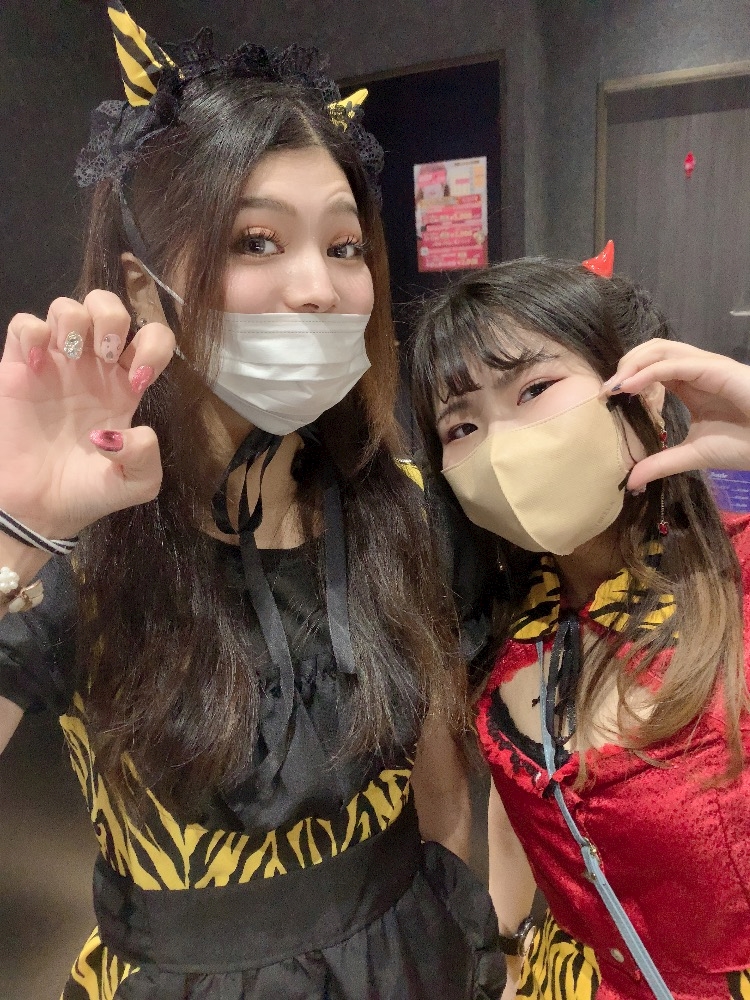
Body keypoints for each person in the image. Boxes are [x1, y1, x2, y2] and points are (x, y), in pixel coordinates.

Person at [0, 5, 505, 998]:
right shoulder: (81, 558)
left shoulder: (409, 514)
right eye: (258, 241)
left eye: (346, 246)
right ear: (144, 289)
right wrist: (19, 535)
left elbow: (444, 796)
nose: (318, 288)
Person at [410, 253, 750, 1000]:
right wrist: (505, 951)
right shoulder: (496, 624)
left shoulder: (738, 579)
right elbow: (517, 805)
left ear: (641, 389)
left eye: (534, 388)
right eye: (462, 425)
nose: (501, 447)